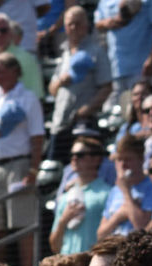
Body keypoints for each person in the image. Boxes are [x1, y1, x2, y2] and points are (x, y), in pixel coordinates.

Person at [0, 52, 45, 266]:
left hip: (19, 166)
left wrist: (33, 171)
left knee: (23, 226)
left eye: (0, 71)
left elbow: (37, 136)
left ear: (15, 71)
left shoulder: (28, 98)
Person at [49, 6, 114, 163]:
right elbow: (52, 90)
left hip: (83, 124)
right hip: (60, 122)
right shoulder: (64, 54)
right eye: (70, 24)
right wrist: (61, 81)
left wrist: (87, 109)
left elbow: (107, 86)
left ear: (86, 26)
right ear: (65, 27)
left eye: (78, 23)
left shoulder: (96, 52)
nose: (74, 28)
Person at [94, 0, 152, 101]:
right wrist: (108, 23)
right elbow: (97, 23)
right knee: (119, 112)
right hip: (116, 68)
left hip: (144, 68)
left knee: (148, 108)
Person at [50, 136, 112, 254]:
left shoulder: (108, 194)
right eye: (72, 155)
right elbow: (55, 247)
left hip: (92, 265)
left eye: (80, 155)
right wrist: (64, 220)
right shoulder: (65, 197)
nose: (74, 158)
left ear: (96, 159)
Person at [98, 135, 152, 238]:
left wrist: (126, 192)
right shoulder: (115, 191)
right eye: (119, 159)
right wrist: (118, 217)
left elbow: (143, 227)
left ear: (141, 159)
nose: (123, 165)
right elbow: (100, 235)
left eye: (128, 159)